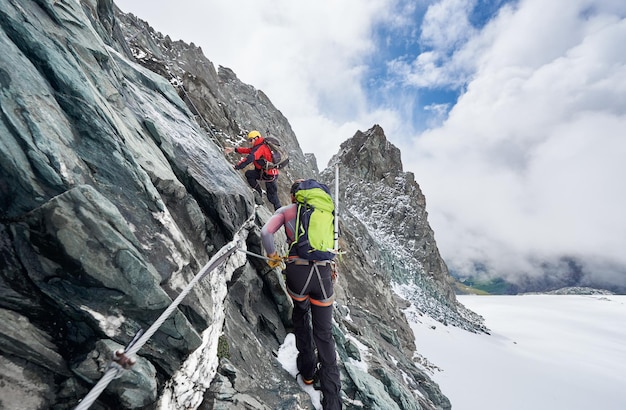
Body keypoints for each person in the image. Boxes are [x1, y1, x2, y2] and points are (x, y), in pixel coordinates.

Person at [260, 180, 342, 410]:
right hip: (324, 275)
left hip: (298, 271)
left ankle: (307, 372)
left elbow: (266, 232)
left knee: (301, 315)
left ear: (295, 196)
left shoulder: (286, 212)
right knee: (324, 335)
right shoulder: (327, 214)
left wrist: (273, 255)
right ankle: (333, 402)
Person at [224, 130, 282, 210]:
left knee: (272, 197)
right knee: (249, 174)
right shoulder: (259, 146)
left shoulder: (261, 148)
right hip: (264, 172)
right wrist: (234, 149)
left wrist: (237, 167)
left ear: (256, 138)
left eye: (251, 140)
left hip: (270, 175)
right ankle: (258, 193)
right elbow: (247, 150)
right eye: (249, 140)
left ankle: (280, 215)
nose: (250, 142)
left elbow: (250, 158)